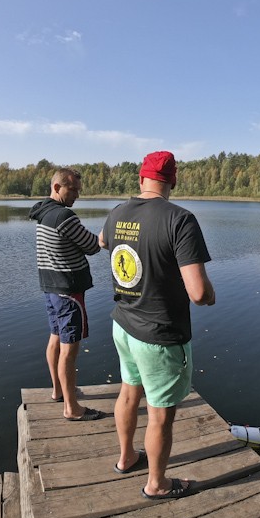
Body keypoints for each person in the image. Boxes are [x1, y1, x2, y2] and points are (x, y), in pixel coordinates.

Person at [99, 151, 215, 499]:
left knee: (128, 393)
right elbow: (197, 292)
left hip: (123, 325)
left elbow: (104, 241)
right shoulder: (180, 220)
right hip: (160, 335)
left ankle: (126, 458)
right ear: (173, 182)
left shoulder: (117, 212)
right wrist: (210, 294)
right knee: (161, 415)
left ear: (140, 178)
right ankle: (157, 484)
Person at [29, 168, 102, 421]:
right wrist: (109, 235)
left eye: (79, 190)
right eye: (73, 189)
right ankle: (72, 408)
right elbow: (93, 246)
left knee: (55, 338)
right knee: (69, 349)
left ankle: (58, 391)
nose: (77, 195)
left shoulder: (43, 212)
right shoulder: (64, 216)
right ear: (57, 187)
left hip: (50, 288)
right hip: (69, 291)